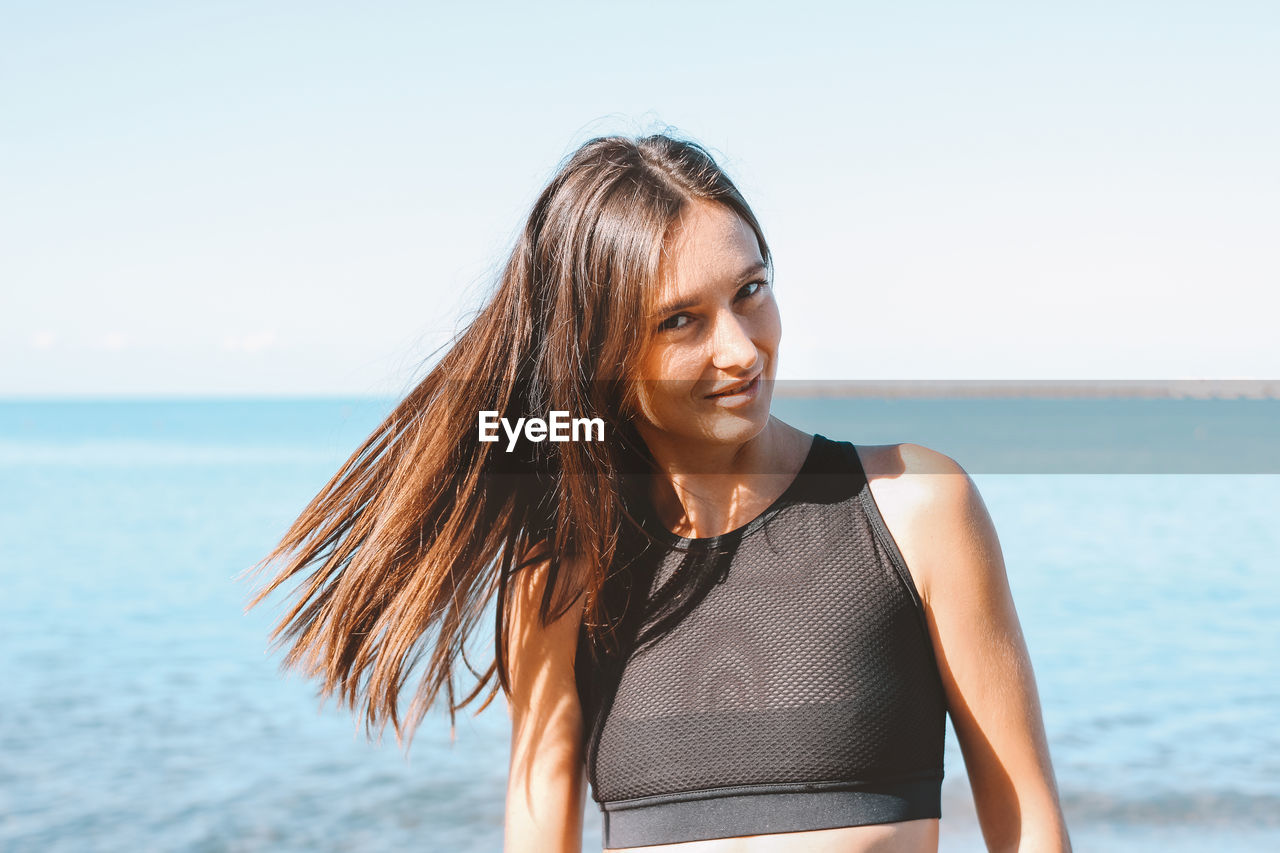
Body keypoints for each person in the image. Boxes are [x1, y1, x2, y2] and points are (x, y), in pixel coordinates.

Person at [241, 130, 1073, 852]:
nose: (743, 351)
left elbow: (1028, 824)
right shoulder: (565, 571)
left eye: (751, 291)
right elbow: (538, 824)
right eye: (682, 321)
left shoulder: (915, 506)